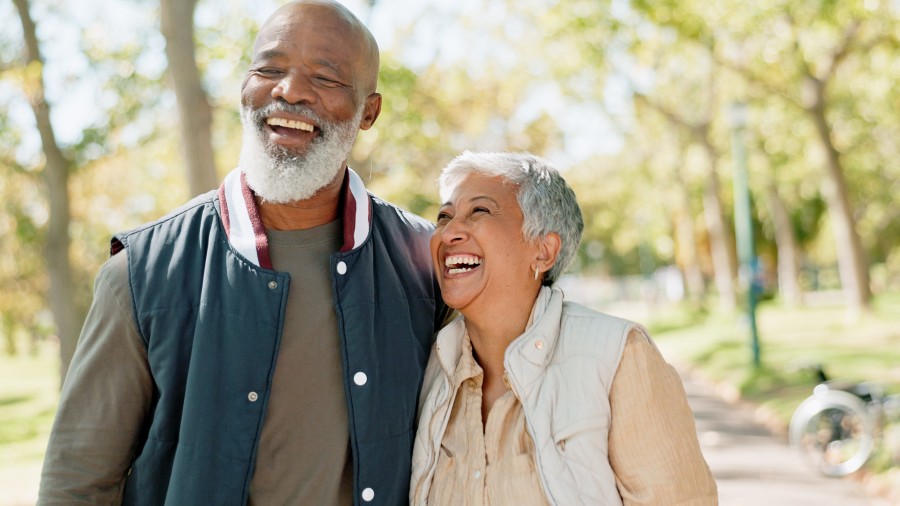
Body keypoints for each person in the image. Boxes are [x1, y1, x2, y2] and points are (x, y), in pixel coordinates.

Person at [38, 1, 450, 504]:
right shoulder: (141, 273)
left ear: (369, 111)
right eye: (270, 69)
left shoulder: (425, 266)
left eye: (325, 77)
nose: (290, 91)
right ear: (244, 87)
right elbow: (77, 480)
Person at [409, 151, 718, 505]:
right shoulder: (430, 365)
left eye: (479, 211)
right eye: (444, 217)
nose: (449, 232)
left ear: (543, 251)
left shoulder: (618, 355)